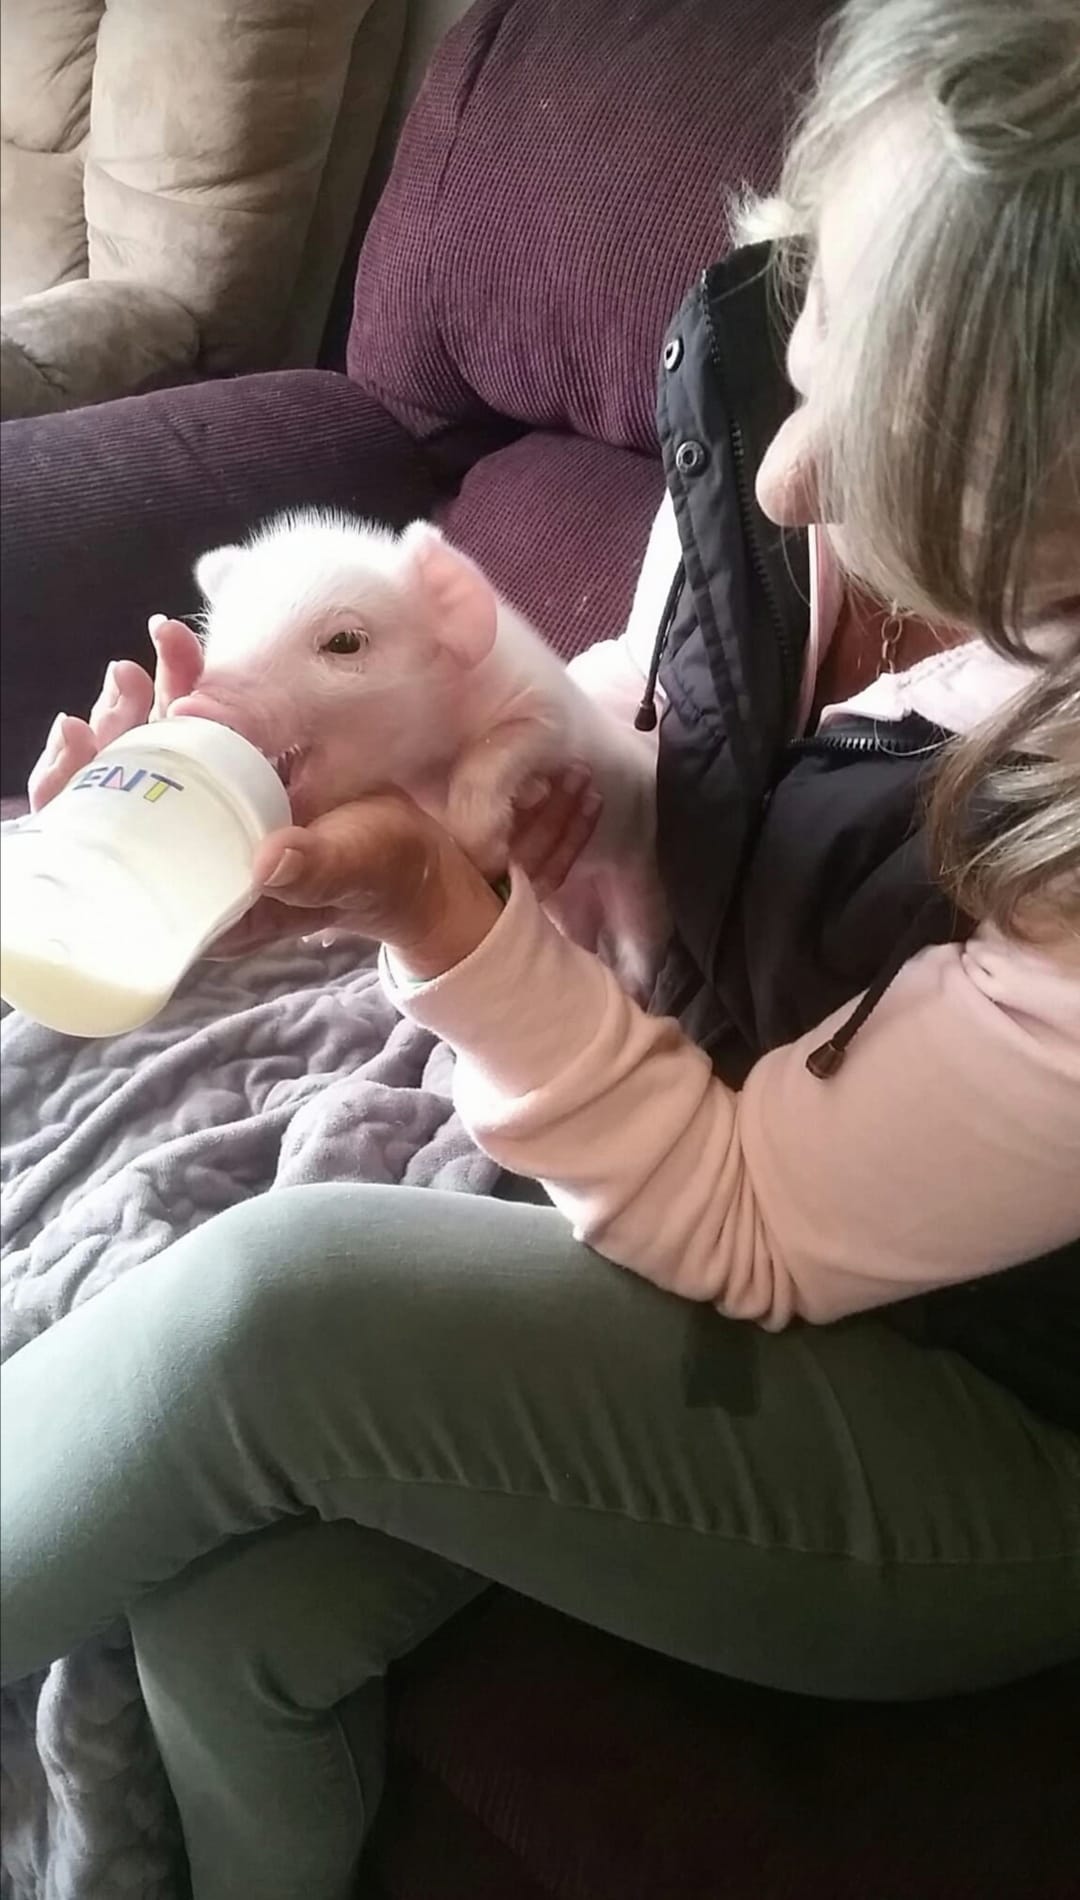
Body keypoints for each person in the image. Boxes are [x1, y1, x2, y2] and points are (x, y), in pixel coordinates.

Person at [3, 1, 1079, 1895]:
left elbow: (751, 1220)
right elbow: (667, 718)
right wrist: (313, 796)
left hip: (978, 1409)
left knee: (281, 1313)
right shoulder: (766, 384)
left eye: (917, 472)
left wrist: (437, 911)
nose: (784, 483)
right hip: (716, 1082)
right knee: (228, 1621)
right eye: (822, 321)